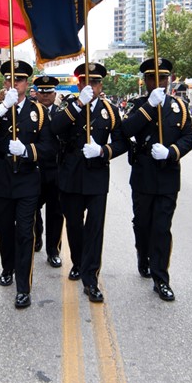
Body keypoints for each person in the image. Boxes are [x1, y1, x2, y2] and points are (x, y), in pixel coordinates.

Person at [0, 60, 55, 309]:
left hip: (28, 178)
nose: (14, 83)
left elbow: (50, 148)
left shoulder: (38, 111)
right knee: (3, 228)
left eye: (19, 79)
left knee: (24, 232)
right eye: (10, 79)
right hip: (2, 177)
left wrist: (28, 150)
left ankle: (24, 286)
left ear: (27, 82)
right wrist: (2, 109)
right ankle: (7, 267)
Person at [51, 62, 129, 303]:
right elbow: (55, 127)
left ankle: (91, 278)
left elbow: (122, 142)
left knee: (95, 229)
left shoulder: (110, 110)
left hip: (96, 174)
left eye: (95, 82)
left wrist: (103, 151)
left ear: (100, 85)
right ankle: (78, 261)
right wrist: (78, 104)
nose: (90, 86)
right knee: (74, 225)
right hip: (71, 173)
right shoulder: (68, 106)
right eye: (85, 81)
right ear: (79, 83)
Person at [120, 58, 192, 302]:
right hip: (143, 175)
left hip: (168, 175)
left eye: (163, 77)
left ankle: (161, 278)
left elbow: (188, 137)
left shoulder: (179, 108)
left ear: (170, 79)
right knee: (142, 224)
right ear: (146, 81)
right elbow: (126, 130)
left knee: (162, 228)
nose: (159, 82)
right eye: (153, 78)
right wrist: (149, 108)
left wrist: (172, 151)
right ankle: (143, 255)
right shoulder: (139, 105)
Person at [32, 75, 65, 268]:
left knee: (55, 212)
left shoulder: (63, 112)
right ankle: (37, 237)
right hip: (35, 168)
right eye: (42, 92)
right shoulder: (29, 112)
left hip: (56, 169)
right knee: (32, 208)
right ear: (36, 93)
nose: (45, 96)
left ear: (55, 94)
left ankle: (53, 250)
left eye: (49, 92)